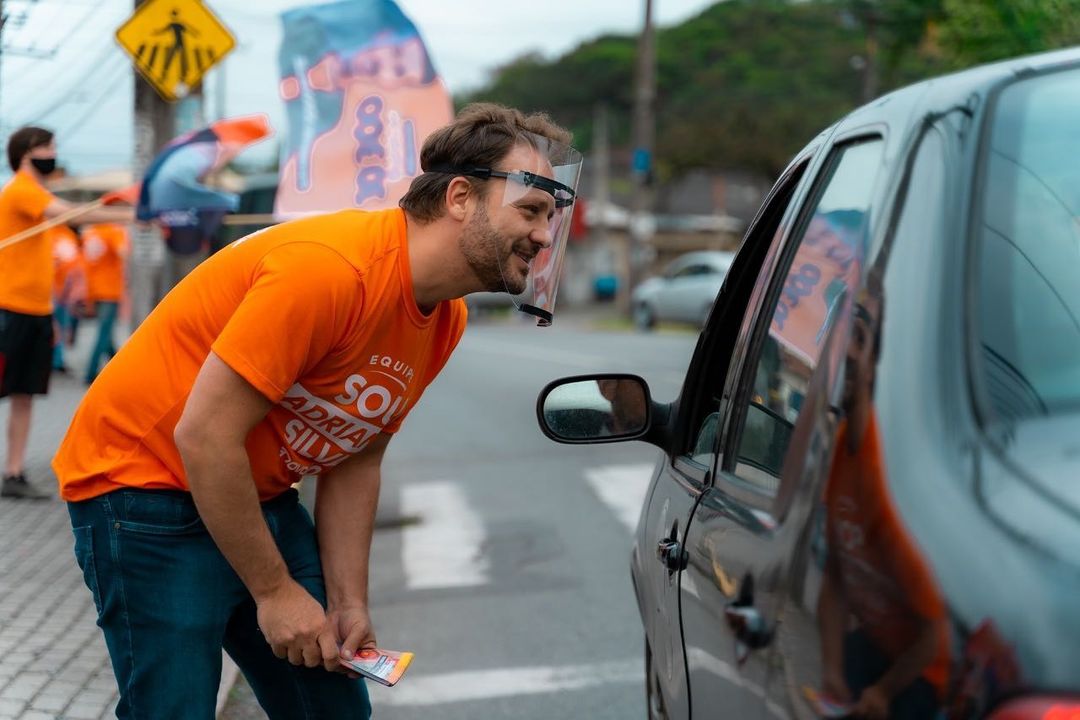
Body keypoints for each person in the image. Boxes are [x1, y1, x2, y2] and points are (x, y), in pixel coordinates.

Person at [53, 103, 582, 719]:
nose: (545, 236)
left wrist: (348, 600)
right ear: (461, 196)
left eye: (551, 217)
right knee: (173, 710)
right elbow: (203, 436)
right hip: (141, 487)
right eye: (531, 210)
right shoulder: (329, 270)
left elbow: (359, 457)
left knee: (330, 709)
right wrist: (274, 593)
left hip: (250, 493)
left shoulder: (446, 316)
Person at [816, 279, 950, 719]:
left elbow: (932, 633)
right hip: (873, 645)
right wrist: (833, 669)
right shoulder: (838, 450)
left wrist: (883, 694)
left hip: (922, 675)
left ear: (877, 360)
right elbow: (835, 577)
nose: (847, 353)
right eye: (838, 337)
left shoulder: (891, 478)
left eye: (860, 337)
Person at [0, 126, 132, 499]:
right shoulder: (22, 191)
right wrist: (131, 213)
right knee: (14, 391)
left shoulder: (35, 192)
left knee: (24, 394)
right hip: (10, 310)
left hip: (37, 311)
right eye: (48, 147)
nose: (53, 154)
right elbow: (68, 214)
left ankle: (13, 472)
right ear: (27, 152)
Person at [80, 222, 129, 384]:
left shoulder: (91, 232)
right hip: (110, 289)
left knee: (107, 333)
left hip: (94, 287)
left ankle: (119, 366)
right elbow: (123, 252)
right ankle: (91, 372)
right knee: (104, 332)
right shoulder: (114, 231)